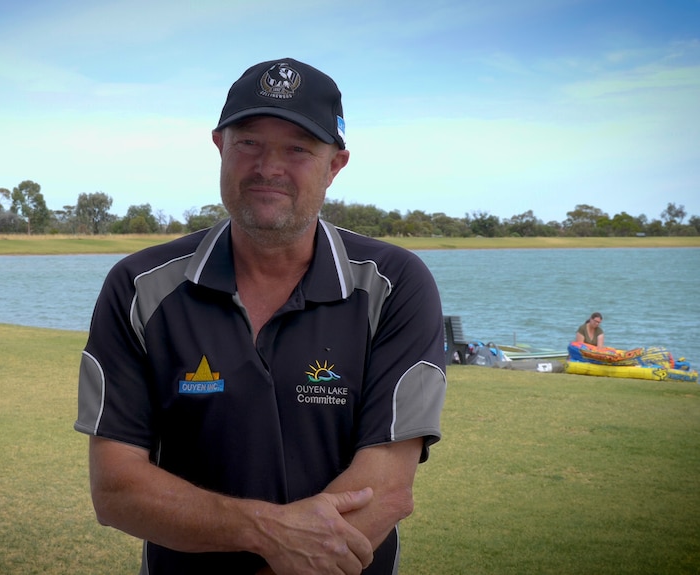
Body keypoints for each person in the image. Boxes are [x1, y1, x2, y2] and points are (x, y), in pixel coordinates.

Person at [74, 58, 447, 575]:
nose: (268, 167)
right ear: (219, 147)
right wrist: (266, 530)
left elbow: (384, 490)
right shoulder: (140, 288)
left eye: (297, 148)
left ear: (335, 165)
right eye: (249, 142)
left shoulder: (393, 285)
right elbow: (117, 489)